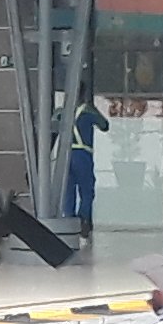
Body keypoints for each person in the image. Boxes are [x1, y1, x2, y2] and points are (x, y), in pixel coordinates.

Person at [63, 89, 108, 230]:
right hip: (82, 155)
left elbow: (52, 130)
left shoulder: (62, 112)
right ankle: (83, 221)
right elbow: (105, 125)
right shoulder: (88, 111)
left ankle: (69, 221)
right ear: (83, 95)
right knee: (87, 189)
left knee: (68, 190)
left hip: (65, 155)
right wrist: (94, 108)